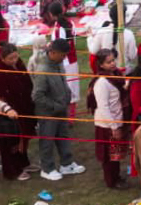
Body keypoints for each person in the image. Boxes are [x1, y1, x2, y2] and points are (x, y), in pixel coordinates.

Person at [31, 38, 84, 181]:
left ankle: (66, 163)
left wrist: (67, 96)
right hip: (48, 112)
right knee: (47, 140)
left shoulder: (58, 63)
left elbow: (63, 80)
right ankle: (47, 168)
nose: (64, 58)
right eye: (62, 55)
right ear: (53, 52)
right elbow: (37, 96)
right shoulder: (43, 70)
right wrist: (54, 106)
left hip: (61, 107)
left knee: (63, 136)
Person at [0, 43, 35, 181]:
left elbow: (26, 81)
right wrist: (7, 109)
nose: (14, 60)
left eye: (16, 57)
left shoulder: (19, 64)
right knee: (9, 143)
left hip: (22, 107)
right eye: (10, 58)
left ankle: (23, 163)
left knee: (23, 137)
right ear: (2, 58)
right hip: (7, 113)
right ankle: (12, 170)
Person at [91, 48, 129, 189]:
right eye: (109, 62)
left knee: (116, 154)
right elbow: (103, 107)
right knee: (109, 157)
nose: (113, 64)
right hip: (106, 124)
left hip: (117, 119)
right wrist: (113, 127)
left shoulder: (115, 75)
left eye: (113, 60)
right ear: (101, 65)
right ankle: (111, 181)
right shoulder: (102, 82)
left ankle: (117, 177)